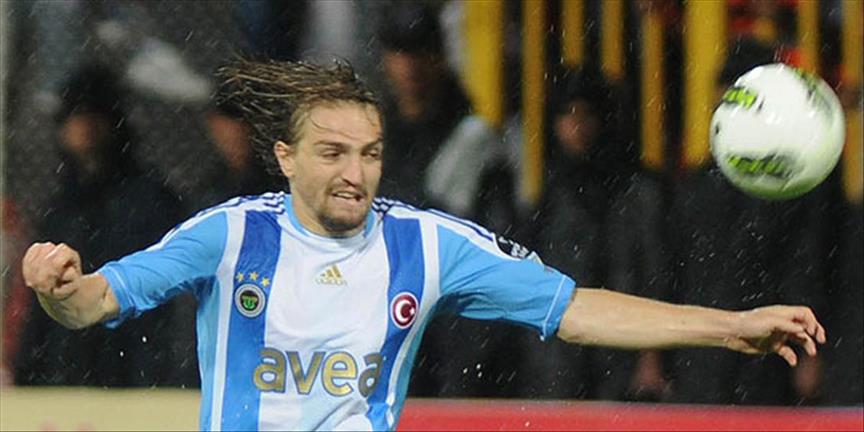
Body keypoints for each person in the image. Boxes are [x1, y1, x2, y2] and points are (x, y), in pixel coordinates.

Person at [22, 59, 825, 431]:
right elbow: (93, 303)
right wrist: (56, 285)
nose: (356, 173)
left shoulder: (428, 244)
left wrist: (730, 327)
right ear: (287, 158)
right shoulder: (229, 234)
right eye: (333, 154)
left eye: (369, 154)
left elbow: (577, 310)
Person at [15, 63, 186, 387]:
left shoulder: (148, 200)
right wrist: (28, 369)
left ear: (113, 122)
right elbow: (40, 306)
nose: (83, 126)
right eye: (75, 116)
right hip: (70, 362)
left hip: (132, 359)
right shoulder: (62, 206)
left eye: (93, 115)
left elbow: (160, 294)